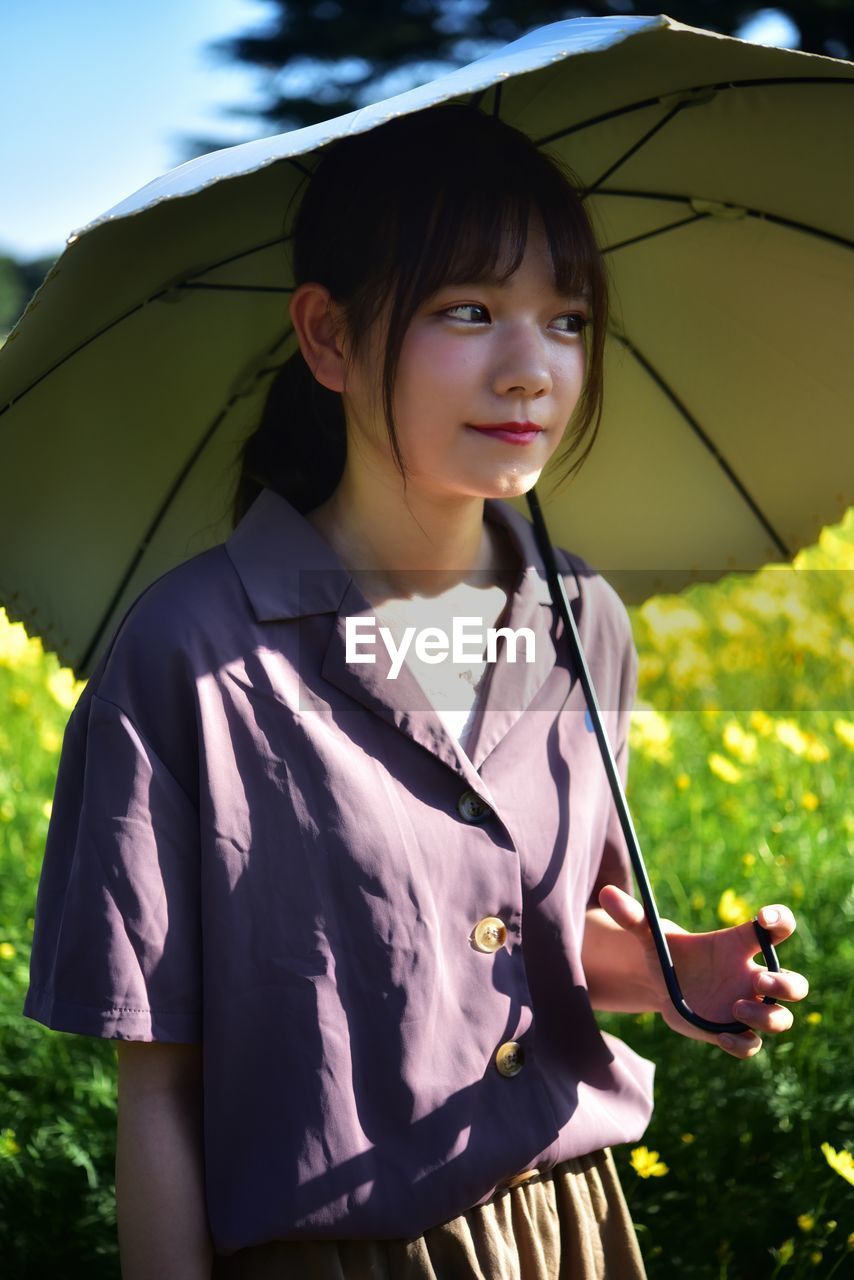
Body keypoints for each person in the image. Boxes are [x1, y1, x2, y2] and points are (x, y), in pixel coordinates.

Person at [23, 104, 808, 1279]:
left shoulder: (583, 617)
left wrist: (664, 968)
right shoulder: (191, 652)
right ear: (328, 336)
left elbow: (519, 934)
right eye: (469, 310)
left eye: (566, 320)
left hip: (568, 1230)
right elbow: (162, 1089)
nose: (529, 368)